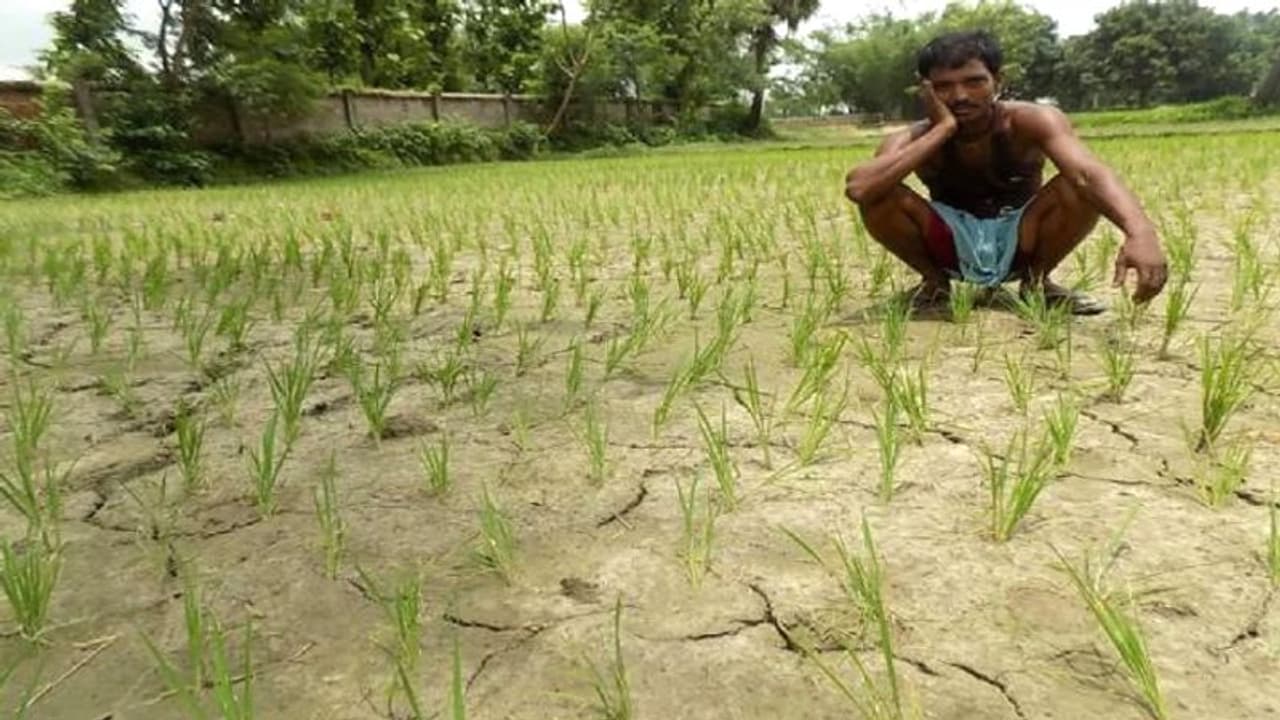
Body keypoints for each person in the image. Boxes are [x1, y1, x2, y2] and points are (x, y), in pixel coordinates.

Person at [844, 30, 1168, 314]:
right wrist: (943, 129)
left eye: (974, 82)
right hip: (950, 242)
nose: (959, 96)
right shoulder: (912, 138)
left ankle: (1037, 283)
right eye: (943, 87)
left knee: (1075, 186)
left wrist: (1140, 232)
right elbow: (861, 188)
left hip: (1023, 235)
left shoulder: (1033, 120)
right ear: (925, 90)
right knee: (880, 193)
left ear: (998, 81)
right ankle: (935, 285)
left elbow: (1087, 174)